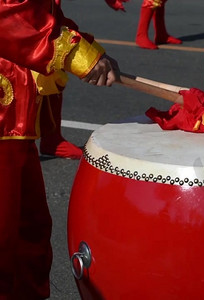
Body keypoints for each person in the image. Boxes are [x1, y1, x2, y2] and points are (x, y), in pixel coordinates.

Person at [0, 0, 120, 298]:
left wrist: (94, 52)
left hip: (16, 124)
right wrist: (82, 56)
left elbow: (45, 14)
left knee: (31, 232)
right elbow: (10, 16)